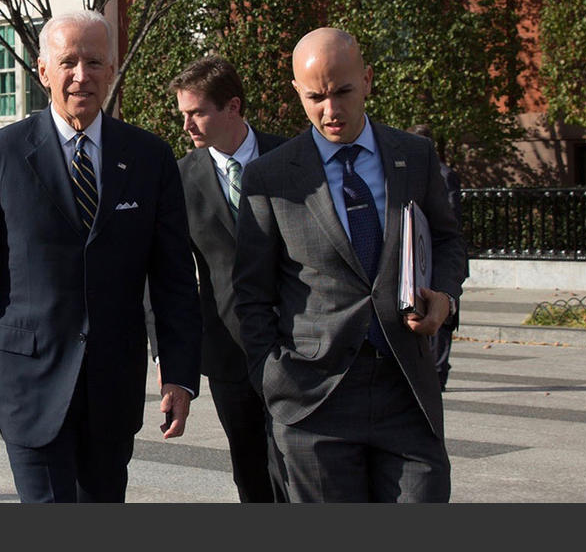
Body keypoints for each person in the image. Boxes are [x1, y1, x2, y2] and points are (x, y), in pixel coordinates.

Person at [0, 10, 202, 503]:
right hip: (30, 384)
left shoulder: (149, 157)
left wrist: (180, 375)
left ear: (110, 70)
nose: (81, 75)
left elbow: (173, 280)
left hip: (114, 385)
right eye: (68, 62)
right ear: (43, 72)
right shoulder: (0, 155)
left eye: (94, 62)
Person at [233, 27, 467, 502]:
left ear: (367, 80)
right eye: (315, 97)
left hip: (406, 387)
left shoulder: (414, 156)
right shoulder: (270, 176)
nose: (331, 110)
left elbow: (447, 241)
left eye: (342, 92)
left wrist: (443, 297)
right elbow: (251, 292)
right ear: (297, 92)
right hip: (313, 398)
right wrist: (273, 377)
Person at [167, 55, 288, 502]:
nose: (187, 125)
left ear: (232, 106)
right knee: (251, 474)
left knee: (303, 470)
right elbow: (168, 275)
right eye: (183, 114)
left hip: (299, 345)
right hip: (228, 352)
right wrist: (170, 359)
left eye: (196, 112)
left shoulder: (292, 158)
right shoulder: (179, 179)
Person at [408, 124, 469, 391]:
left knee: (443, 316)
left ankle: (439, 371)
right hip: (419, 257)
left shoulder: (443, 175)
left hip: (439, 259)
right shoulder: (409, 173)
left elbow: (450, 224)